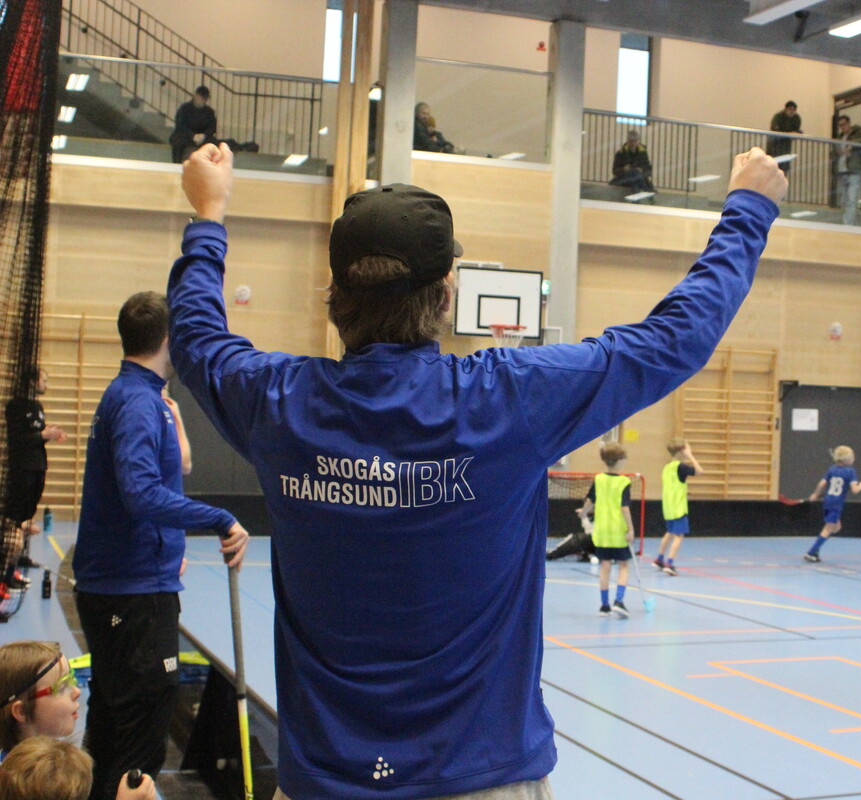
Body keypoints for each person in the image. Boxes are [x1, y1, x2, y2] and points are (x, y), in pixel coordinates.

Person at [170, 141, 785, 799]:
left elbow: (196, 336)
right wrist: (747, 209)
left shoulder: (277, 404)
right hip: (482, 777)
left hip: (325, 782)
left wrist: (209, 215)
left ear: (334, 296)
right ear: (446, 295)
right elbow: (672, 340)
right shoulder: (507, 398)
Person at [71, 292, 249, 800]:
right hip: (131, 595)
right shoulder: (136, 402)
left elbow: (162, 477)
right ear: (170, 339)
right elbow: (141, 493)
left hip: (133, 583)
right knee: (137, 740)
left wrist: (168, 550)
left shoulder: (140, 395)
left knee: (114, 725)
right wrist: (219, 518)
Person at [0, 644, 155, 800]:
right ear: (21, 711)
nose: (76, 691)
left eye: (72, 679)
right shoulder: (37, 783)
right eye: (62, 687)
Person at [3, 368, 66, 597]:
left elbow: (37, 436)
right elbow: (18, 440)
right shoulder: (16, 406)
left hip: (38, 466)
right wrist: (42, 435)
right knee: (14, 521)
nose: (45, 384)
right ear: (31, 381)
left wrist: (49, 434)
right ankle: (6, 574)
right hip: (22, 469)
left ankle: (18, 561)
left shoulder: (37, 406)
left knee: (27, 517)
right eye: (43, 380)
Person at [579, 444, 636, 617]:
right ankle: (619, 602)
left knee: (605, 566)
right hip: (618, 532)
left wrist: (583, 513)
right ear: (619, 461)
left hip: (602, 532)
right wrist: (631, 529)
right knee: (623, 566)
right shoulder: (624, 482)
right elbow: (624, 508)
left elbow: (590, 501)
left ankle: (604, 606)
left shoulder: (599, 479)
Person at [804, 445, 861, 563]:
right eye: (852, 456)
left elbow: (822, 483)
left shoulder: (832, 469)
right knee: (829, 528)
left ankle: (816, 549)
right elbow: (855, 490)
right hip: (836, 504)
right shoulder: (850, 471)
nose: (854, 458)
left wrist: (815, 494)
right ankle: (811, 552)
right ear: (846, 459)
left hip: (827, 501)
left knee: (836, 527)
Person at [654, 438, 703, 576]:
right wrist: (691, 456)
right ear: (682, 451)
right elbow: (699, 471)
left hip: (668, 506)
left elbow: (673, 485)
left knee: (669, 532)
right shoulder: (681, 467)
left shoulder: (667, 467)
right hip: (678, 507)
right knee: (679, 535)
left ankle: (659, 559)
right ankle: (669, 564)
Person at [832, 115, 861, 226]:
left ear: (849, 123)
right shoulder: (840, 137)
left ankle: (849, 224)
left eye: (844, 124)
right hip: (842, 170)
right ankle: (848, 222)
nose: (842, 127)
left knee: (852, 198)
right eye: (840, 125)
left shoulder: (858, 132)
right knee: (844, 200)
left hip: (854, 170)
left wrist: (852, 145)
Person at [169, 86, 216, 164]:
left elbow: (212, 128)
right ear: (196, 96)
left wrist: (204, 135)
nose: (204, 101)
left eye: (205, 99)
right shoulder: (184, 108)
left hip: (203, 137)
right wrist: (192, 135)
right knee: (177, 140)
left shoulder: (209, 112)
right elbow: (180, 125)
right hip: (186, 135)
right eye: (202, 98)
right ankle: (177, 163)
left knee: (213, 143)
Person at [609, 129, 654, 194]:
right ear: (628, 141)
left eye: (635, 141)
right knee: (636, 178)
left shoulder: (643, 153)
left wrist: (641, 170)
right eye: (631, 141)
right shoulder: (620, 153)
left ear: (638, 141)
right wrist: (624, 169)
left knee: (636, 176)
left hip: (635, 179)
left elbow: (648, 170)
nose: (633, 143)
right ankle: (641, 194)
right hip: (626, 178)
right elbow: (615, 171)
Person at [766, 101, 801, 173]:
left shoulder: (796, 118)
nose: (791, 112)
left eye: (793, 110)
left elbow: (796, 130)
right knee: (773, 165)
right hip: (774, 144)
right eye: (790, 109)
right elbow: (775, 129)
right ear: (785, 109)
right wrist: (789, 134)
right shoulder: (778, 116)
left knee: (784, 166)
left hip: (786, 146)